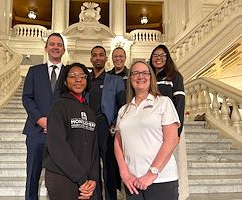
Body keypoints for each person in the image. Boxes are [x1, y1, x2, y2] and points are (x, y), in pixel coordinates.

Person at [114, 60, 180, 200]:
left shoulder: (163, 102)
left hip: (161, 179)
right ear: (130, 78)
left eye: (145, 73)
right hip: (133, 181)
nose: (140, 76)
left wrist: (151, 174)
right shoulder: (123, 110)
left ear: (151, 78)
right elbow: (118, 144)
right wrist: (124, 173)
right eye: (136, 73)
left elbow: (172, 140)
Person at [43, 63, 99, 200]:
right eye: (72, 76)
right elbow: (57, 146)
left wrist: (93, 178)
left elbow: (94, 149)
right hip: (62, 176)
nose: (78, 79)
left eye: (82, 76)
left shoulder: (90, 112)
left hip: (86, 180)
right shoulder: (59, 106)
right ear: (65, 82)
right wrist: (81, 179)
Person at [22, 32, 65, 200]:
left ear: (63, 49)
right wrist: (41, 120)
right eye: (52, 44)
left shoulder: (69, 73)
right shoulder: (34, 71)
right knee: (32, 175)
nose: (55, 47)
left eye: (59, 45)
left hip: (61, 135)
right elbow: (27, 98)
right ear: (46, 48)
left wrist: (56, 124)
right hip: (36, 133)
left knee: (60, 177)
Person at [149, 44, 189, 200]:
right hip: (153, 128)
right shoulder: (148, 77)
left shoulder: (175, 76)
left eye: (162, 55)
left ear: (167, 58)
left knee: (174, 161)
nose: (158, 58)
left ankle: (179, 193)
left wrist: (177, 133)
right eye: (155, 56)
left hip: (171, 127)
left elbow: (180, 103)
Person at [89, 45, 126, 200]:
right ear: (91, 59)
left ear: (105, 58)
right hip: (88, 128)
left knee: (109, 168)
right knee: (92, 167)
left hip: (107, 127)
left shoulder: (116, 80)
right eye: (95, 55)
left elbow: (123, 106)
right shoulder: (85, 79)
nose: (98, 57)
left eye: (101, 55)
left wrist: (115, 126)